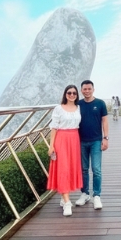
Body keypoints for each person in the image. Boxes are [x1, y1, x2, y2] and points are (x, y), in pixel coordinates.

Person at [47, 85, 82, 217]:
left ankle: (64, 197)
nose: (72, 95)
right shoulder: (58, 108)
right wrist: (51, 146)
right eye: (69, 93)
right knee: (63, 168)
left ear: (77, 95)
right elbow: (54, 127)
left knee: (71, 168)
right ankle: (67, 202)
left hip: (74, 139)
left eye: (74, 93)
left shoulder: (78, 108)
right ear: (65, 94)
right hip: (61, 139)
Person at [75, 80, 109, 210]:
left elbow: (105, 121)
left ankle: (97, 195)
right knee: (83, 169)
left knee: (96, 169)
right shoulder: (78, 104)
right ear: (81, 90)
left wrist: (105, 138)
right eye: (85, 89)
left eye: (89, 89)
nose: (87, 91)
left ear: (93, 89)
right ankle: (85, 193)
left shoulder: (100, 103)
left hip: (96, 140)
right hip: (81, 141)